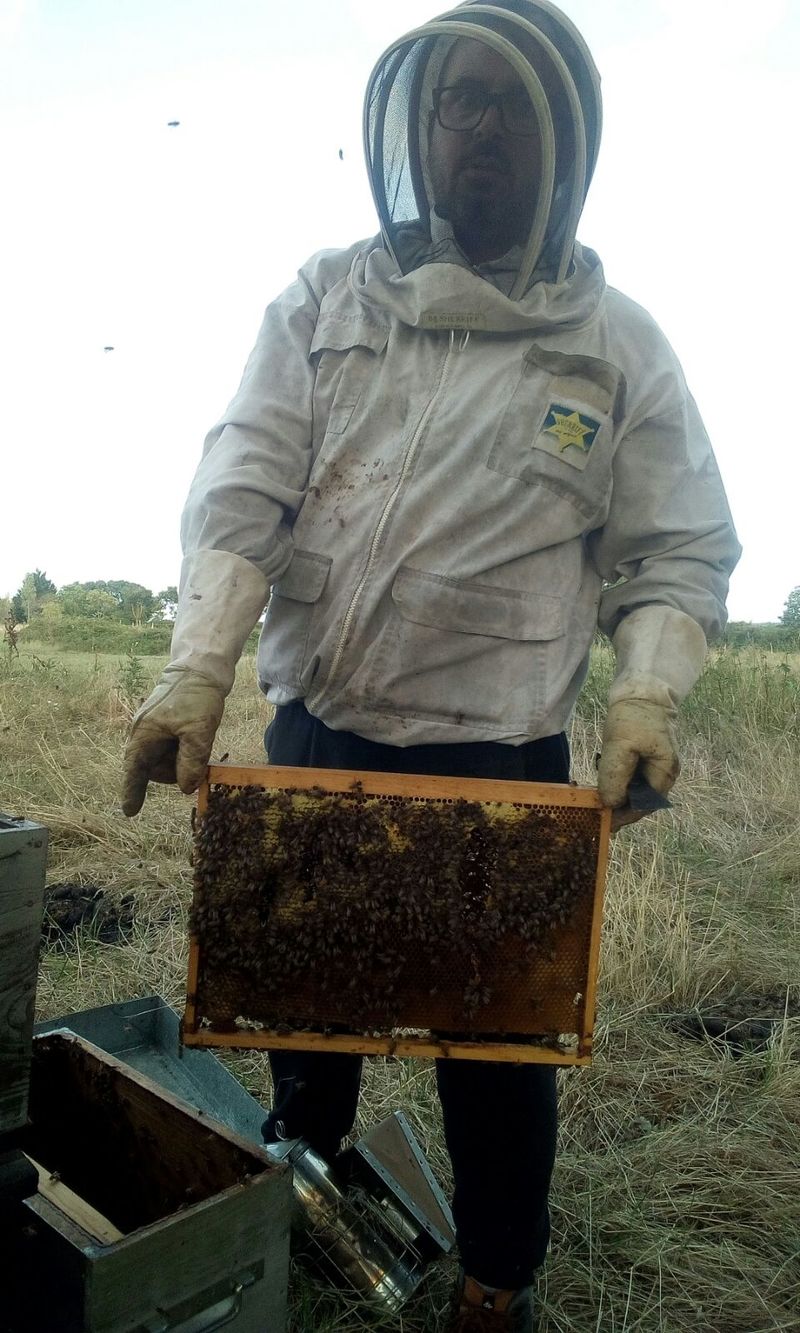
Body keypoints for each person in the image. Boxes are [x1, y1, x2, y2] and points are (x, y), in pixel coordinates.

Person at [122, 2, 740, 1328]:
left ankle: (496, 1285)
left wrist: (645, 695)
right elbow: (242, 488)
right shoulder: (327, 294)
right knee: (304, 1016)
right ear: (418, 123)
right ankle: (303, 1215)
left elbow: (677, 548)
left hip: (496, 757)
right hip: (320, 731)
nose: (482, 129)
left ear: (564, 142)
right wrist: (194, 671)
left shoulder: (617, 342)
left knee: (499, 1053)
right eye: (460, 99)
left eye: (510, 105)